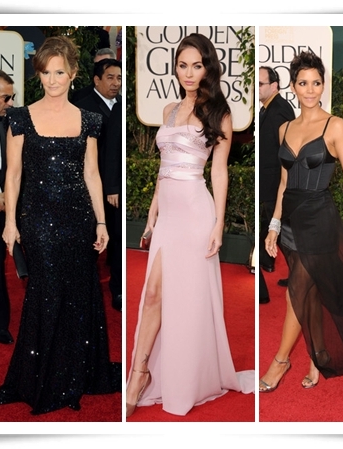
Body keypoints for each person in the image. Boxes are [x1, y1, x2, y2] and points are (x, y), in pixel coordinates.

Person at [126, 33, 254, 417]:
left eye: (196, 65)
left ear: (208, 68)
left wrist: (218, 224)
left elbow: (219, 172)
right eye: (182, 65)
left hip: (196, 211)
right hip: (168, 213)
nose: (188, 72)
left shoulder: (219, 113)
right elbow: (164, 167)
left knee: (186, 300)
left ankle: (179, 377)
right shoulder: (168, 109)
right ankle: (140, 373)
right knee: (152, 294)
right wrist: (153, 210)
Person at [0, 35, 121, 415]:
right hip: (38, 221)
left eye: (59, 72)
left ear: (73, 73)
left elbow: (92, 174)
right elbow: (13, 175)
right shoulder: (20, 117)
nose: (52, 80)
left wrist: (101, 221)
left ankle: (75, 374)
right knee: (47, 295)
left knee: (79, 295)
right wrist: (10, 223)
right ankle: (45, 378)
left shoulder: (89, 120)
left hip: (79, 220)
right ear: (39, 75)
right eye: (46, 73)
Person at [259, 51, 343, 393]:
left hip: (319, 218)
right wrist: (274, 225)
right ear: (292, 86)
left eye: (316, 83)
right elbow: (284, 182)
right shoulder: (284, 128)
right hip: (290, 223)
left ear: (323, 85)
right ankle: (319, 357)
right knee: (310, 291)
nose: (310, 90)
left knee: (298, 289)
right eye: (303, 83)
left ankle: (280, 361)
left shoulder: (335, 126)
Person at [75, 58, 123, 312]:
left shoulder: (122, 106)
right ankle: (81, 287)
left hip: (111, 187)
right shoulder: (81, 107)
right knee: (88, 240)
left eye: (119, 78)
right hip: (87, 186)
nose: (116, 83)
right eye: (110, 78)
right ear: (97, 80)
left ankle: (117, 289)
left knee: (115, 237)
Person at [258, 66, 295, 303]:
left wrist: (281, 185)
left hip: (274, 186)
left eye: (260, 84)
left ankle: (301, 274)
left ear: (274, 86)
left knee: (276, 232)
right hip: (270, 184)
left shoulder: (279, 110)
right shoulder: (269, 108)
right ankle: (274, 265)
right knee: (278, 234)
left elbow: (286, 152)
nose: (257, 89)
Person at [0, 69, 15, 344]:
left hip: (0, 213)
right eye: (5, 97)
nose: (10, 103)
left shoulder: (7, 124)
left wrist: (7, 197)